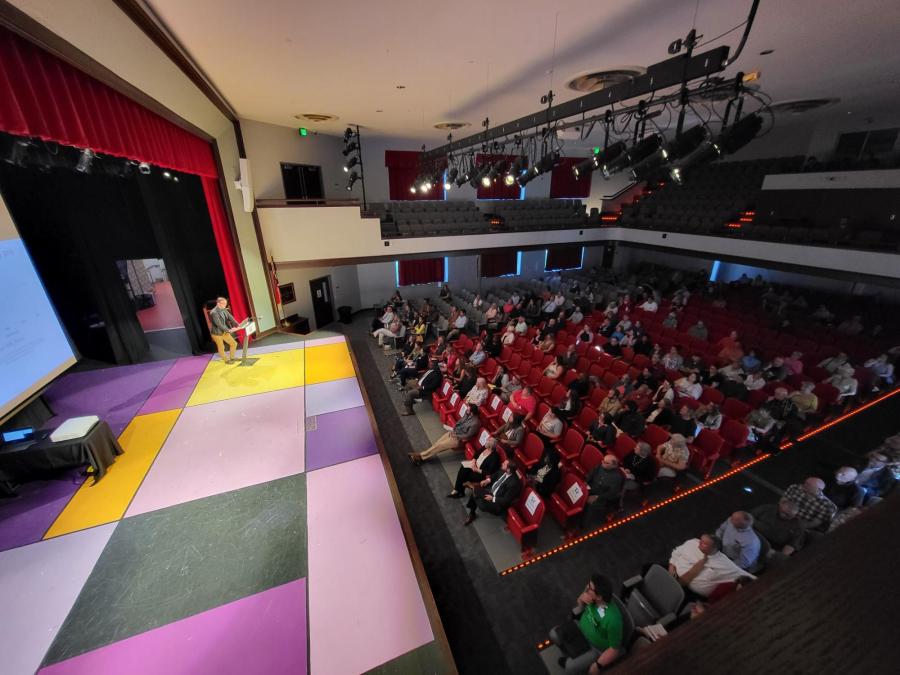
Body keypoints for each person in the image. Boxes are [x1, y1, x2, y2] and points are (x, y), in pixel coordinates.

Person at [550, 575, 624, 674]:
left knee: (569, 668)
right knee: (553, 634)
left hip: (595, 647)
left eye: (589, 588)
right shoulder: (591, 598)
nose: (586, 589)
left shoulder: (613, 620)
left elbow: (614, 650)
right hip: (581, 627)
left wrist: (597, 665)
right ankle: (570, 655)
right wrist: (582, 598)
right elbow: (580, 604)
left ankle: (575, 661)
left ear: (599, 597)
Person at [668, 534, 756, 598]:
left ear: (714, 549)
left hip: (683, 589)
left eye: (704, 543)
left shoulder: (723, 564)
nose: (699, 544)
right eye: (701, 540)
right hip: (672, 574)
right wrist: (671, 566)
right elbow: (676, 551)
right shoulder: (692, 542)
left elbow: (742, 574)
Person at [409, 405, 480, 464]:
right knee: (437, 443)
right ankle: (421, 457)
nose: (466, 411)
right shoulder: (467, 414)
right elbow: (460, 422)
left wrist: (456, 435)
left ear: (472, 413)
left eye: (468, 410)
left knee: (439, 446)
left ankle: (420, 456)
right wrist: (454, 428)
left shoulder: (475, 423)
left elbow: (468, 435)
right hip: (453, 432)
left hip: (458, 439)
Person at [464, 459, 521, 526]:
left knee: (479, 500)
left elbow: (506, 501)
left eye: (504, 464)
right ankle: (473, 512)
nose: (502, 463)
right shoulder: (503, 470)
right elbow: (495, 475)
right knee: (476, 491)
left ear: (508, 469)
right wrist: (487, 480)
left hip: (498, 503)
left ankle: (472, 513)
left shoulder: (513, 483)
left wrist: (492, 498)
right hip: (491, 493)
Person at [209, 296, 241, 363]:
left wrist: (237, 324)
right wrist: (228, 330)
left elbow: (230, 317)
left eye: (225, 304)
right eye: (223, 304)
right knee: (221, 347)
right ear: (218, 303)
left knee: (233, 343)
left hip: (224, 331)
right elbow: (219, 324)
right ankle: (226, 360)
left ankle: (232, 358)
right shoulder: (213, 313)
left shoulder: (223, 309)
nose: (225, 305)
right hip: (217, 333)